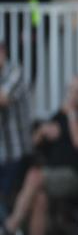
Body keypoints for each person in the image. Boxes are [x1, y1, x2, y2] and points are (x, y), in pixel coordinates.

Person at [2, 75, 78, 235]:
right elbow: (32, 144)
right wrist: (42, 133)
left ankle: (11, 226)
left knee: (35, 176)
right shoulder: (59, 116)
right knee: (40, 198)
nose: (74, 94)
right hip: (51, 180)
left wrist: (73, 116)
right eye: (71, 89)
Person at [0, 41, 30, 208]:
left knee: (6, 199)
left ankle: (9, 232)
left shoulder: (15, 71)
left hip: (16, 152)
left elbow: (3, 98)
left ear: (2, 51)